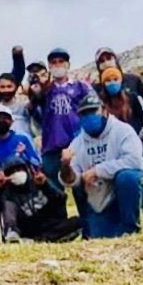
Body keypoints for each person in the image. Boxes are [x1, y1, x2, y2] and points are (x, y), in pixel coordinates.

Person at [60, 95, 143, 239]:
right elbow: (72, 179)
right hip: (102, 192)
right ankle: (89, 228)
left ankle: (133, 227)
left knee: (126, 177)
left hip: (133, 185)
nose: (90, 116)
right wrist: (65, 166)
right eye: (84, 113)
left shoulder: (123, 130)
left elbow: (133, 160)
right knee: (101, 235)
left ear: (104, 111)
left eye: (93, 111)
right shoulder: (77, 144)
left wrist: (98, 170)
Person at [97, 67, 143, 232]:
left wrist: (142, 137)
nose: (112, 83)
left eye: (115, 79)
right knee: (120, 183)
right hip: (114, 150)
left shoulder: (132, 97)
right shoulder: (101, 106)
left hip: (137, 146)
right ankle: (127, 223)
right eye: (108, 81)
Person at [31, 48, 91, 186]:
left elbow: (93, 107)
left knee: (82, 187)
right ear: (49, 67)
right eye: (53, 62)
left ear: (68, 65)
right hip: (51, 146)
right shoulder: (44, 89)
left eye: (61, 62)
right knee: (54, 192)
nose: (57, 65)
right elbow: (35, 111)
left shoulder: (79, 87)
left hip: (77, 145)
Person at [0, 158, 80, 243]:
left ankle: (41, 240)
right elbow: (9, 217)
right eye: (12, 172)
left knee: (76, 222)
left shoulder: (39, 181)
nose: (16, 174)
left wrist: (45, 186)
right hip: (30, 230)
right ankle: (41, 239)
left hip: (52, 225)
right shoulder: (8, 194)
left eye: (19, 170)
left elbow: (61, 199)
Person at [94, 47, 143, 137]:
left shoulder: (134, 80)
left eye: (109, 58)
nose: (106, 63)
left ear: (115, 60)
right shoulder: (96, 89)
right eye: (102, 61)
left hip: (138, 136)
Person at [0, 73, 33, 139]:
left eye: (9, 86)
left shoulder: (24, 103)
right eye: (2, 87)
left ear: (15, 87)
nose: (6, 90)